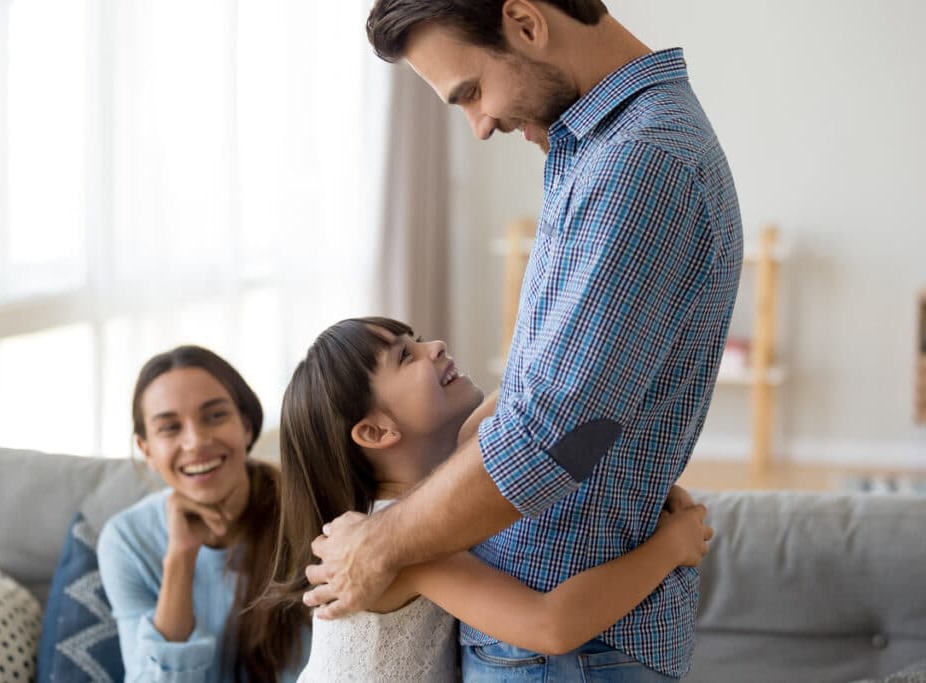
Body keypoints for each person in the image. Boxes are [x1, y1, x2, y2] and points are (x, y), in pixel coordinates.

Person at [304, 1, 744, 681]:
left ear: (526, 22)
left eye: (472, 91)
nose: (479, 125)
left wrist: (380, 544)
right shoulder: (602, 151)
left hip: (565, 655)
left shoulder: (638, 162)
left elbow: (550, 431)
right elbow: (564, 405)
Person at [267, 317, 712, 681]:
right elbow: (551, 626)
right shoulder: (399, 545)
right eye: (406, 356)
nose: (436, 345)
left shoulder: (442, 477)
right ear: (378, 431)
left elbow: (535, 407)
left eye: (417, 340)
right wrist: (670, 548)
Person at [97, 345, 309, 682]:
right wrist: (180, 558)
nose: (195, 441)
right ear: (146, 450)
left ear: (247, 426)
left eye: (215, 416)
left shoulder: (307, 512)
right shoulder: (125, 540)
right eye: (169, 427)